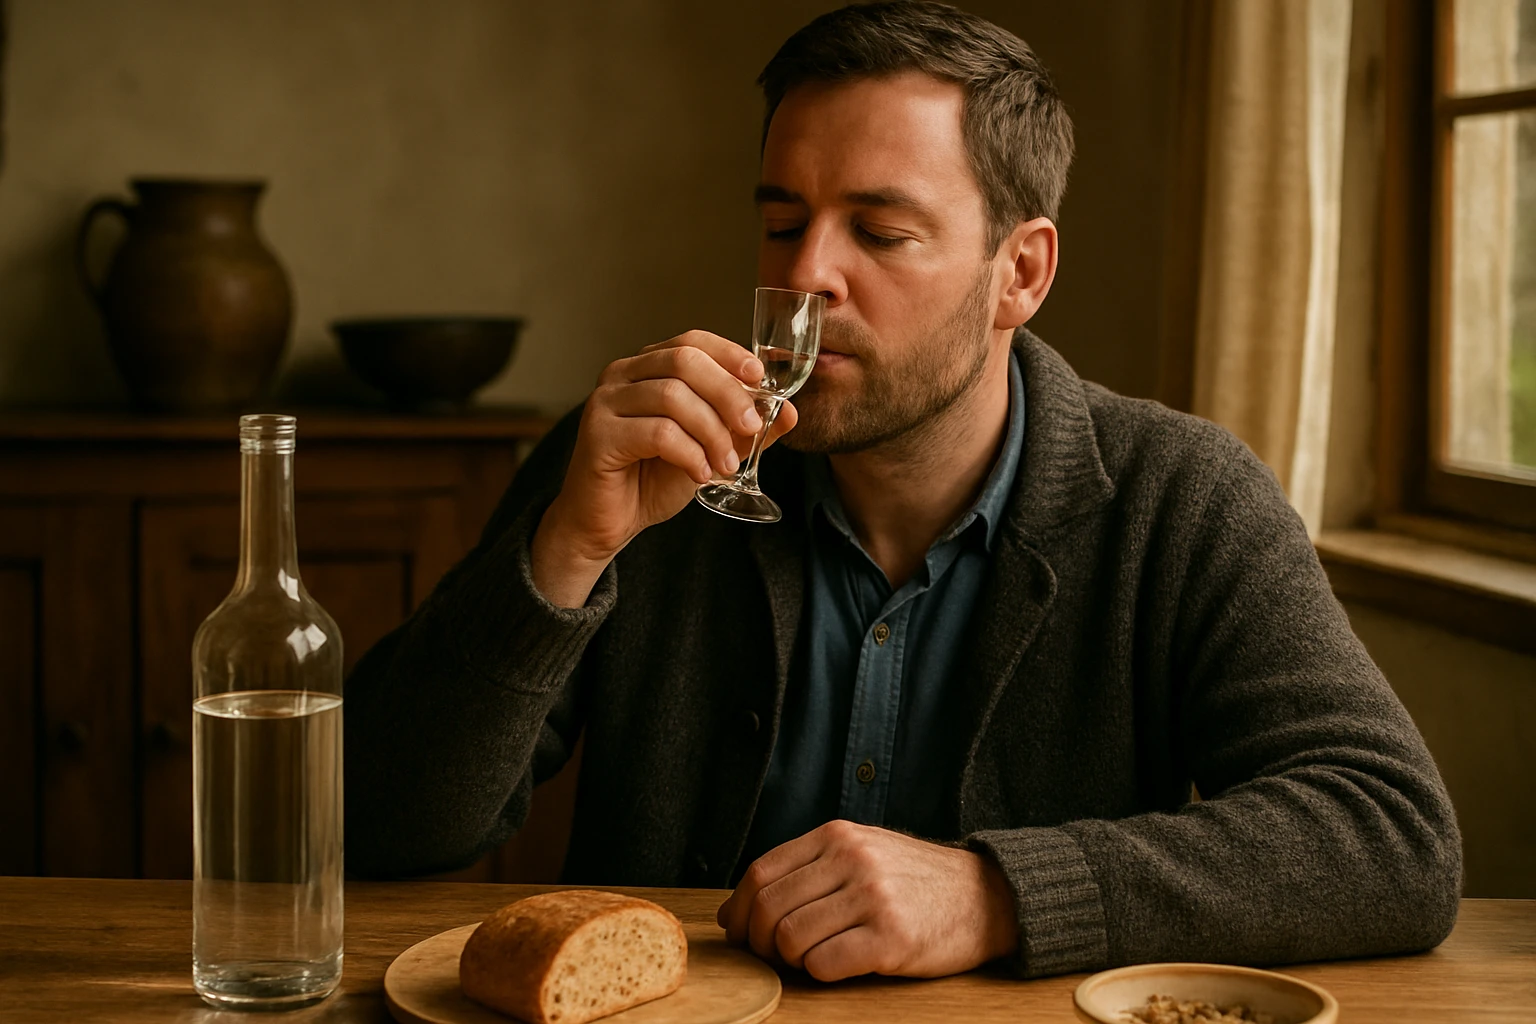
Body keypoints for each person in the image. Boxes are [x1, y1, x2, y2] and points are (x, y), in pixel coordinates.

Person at [345, 0, 1461, 983]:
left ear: (1018, 272)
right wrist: (562, 554)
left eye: (879, 231)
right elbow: (379, 824)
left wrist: (995, 894)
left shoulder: (1180, 496)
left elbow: (1392, 835)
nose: (807, 276)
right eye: (783, 222)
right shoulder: (635, 463)